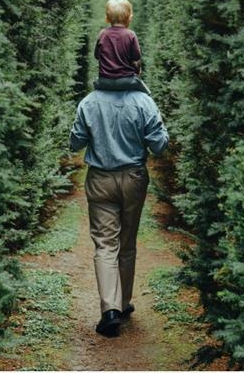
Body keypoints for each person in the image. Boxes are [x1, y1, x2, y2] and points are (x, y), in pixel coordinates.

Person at [69, 81, 169, 337]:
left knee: (105, 244)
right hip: (134, 178)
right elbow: (159, 145)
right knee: (127, 240)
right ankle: (123, 304)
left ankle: (109, 310)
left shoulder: (89, 102)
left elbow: (75, 142)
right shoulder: (144, 101)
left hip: (100, 179)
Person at [93, 0, 151, 95]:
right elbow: (136, 57)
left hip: (104, 81)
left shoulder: (102, 34)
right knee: (147, 95)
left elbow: (96, 56)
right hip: (127, 81)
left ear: (107, 18)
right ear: (129, 18)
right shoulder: (131, 35)